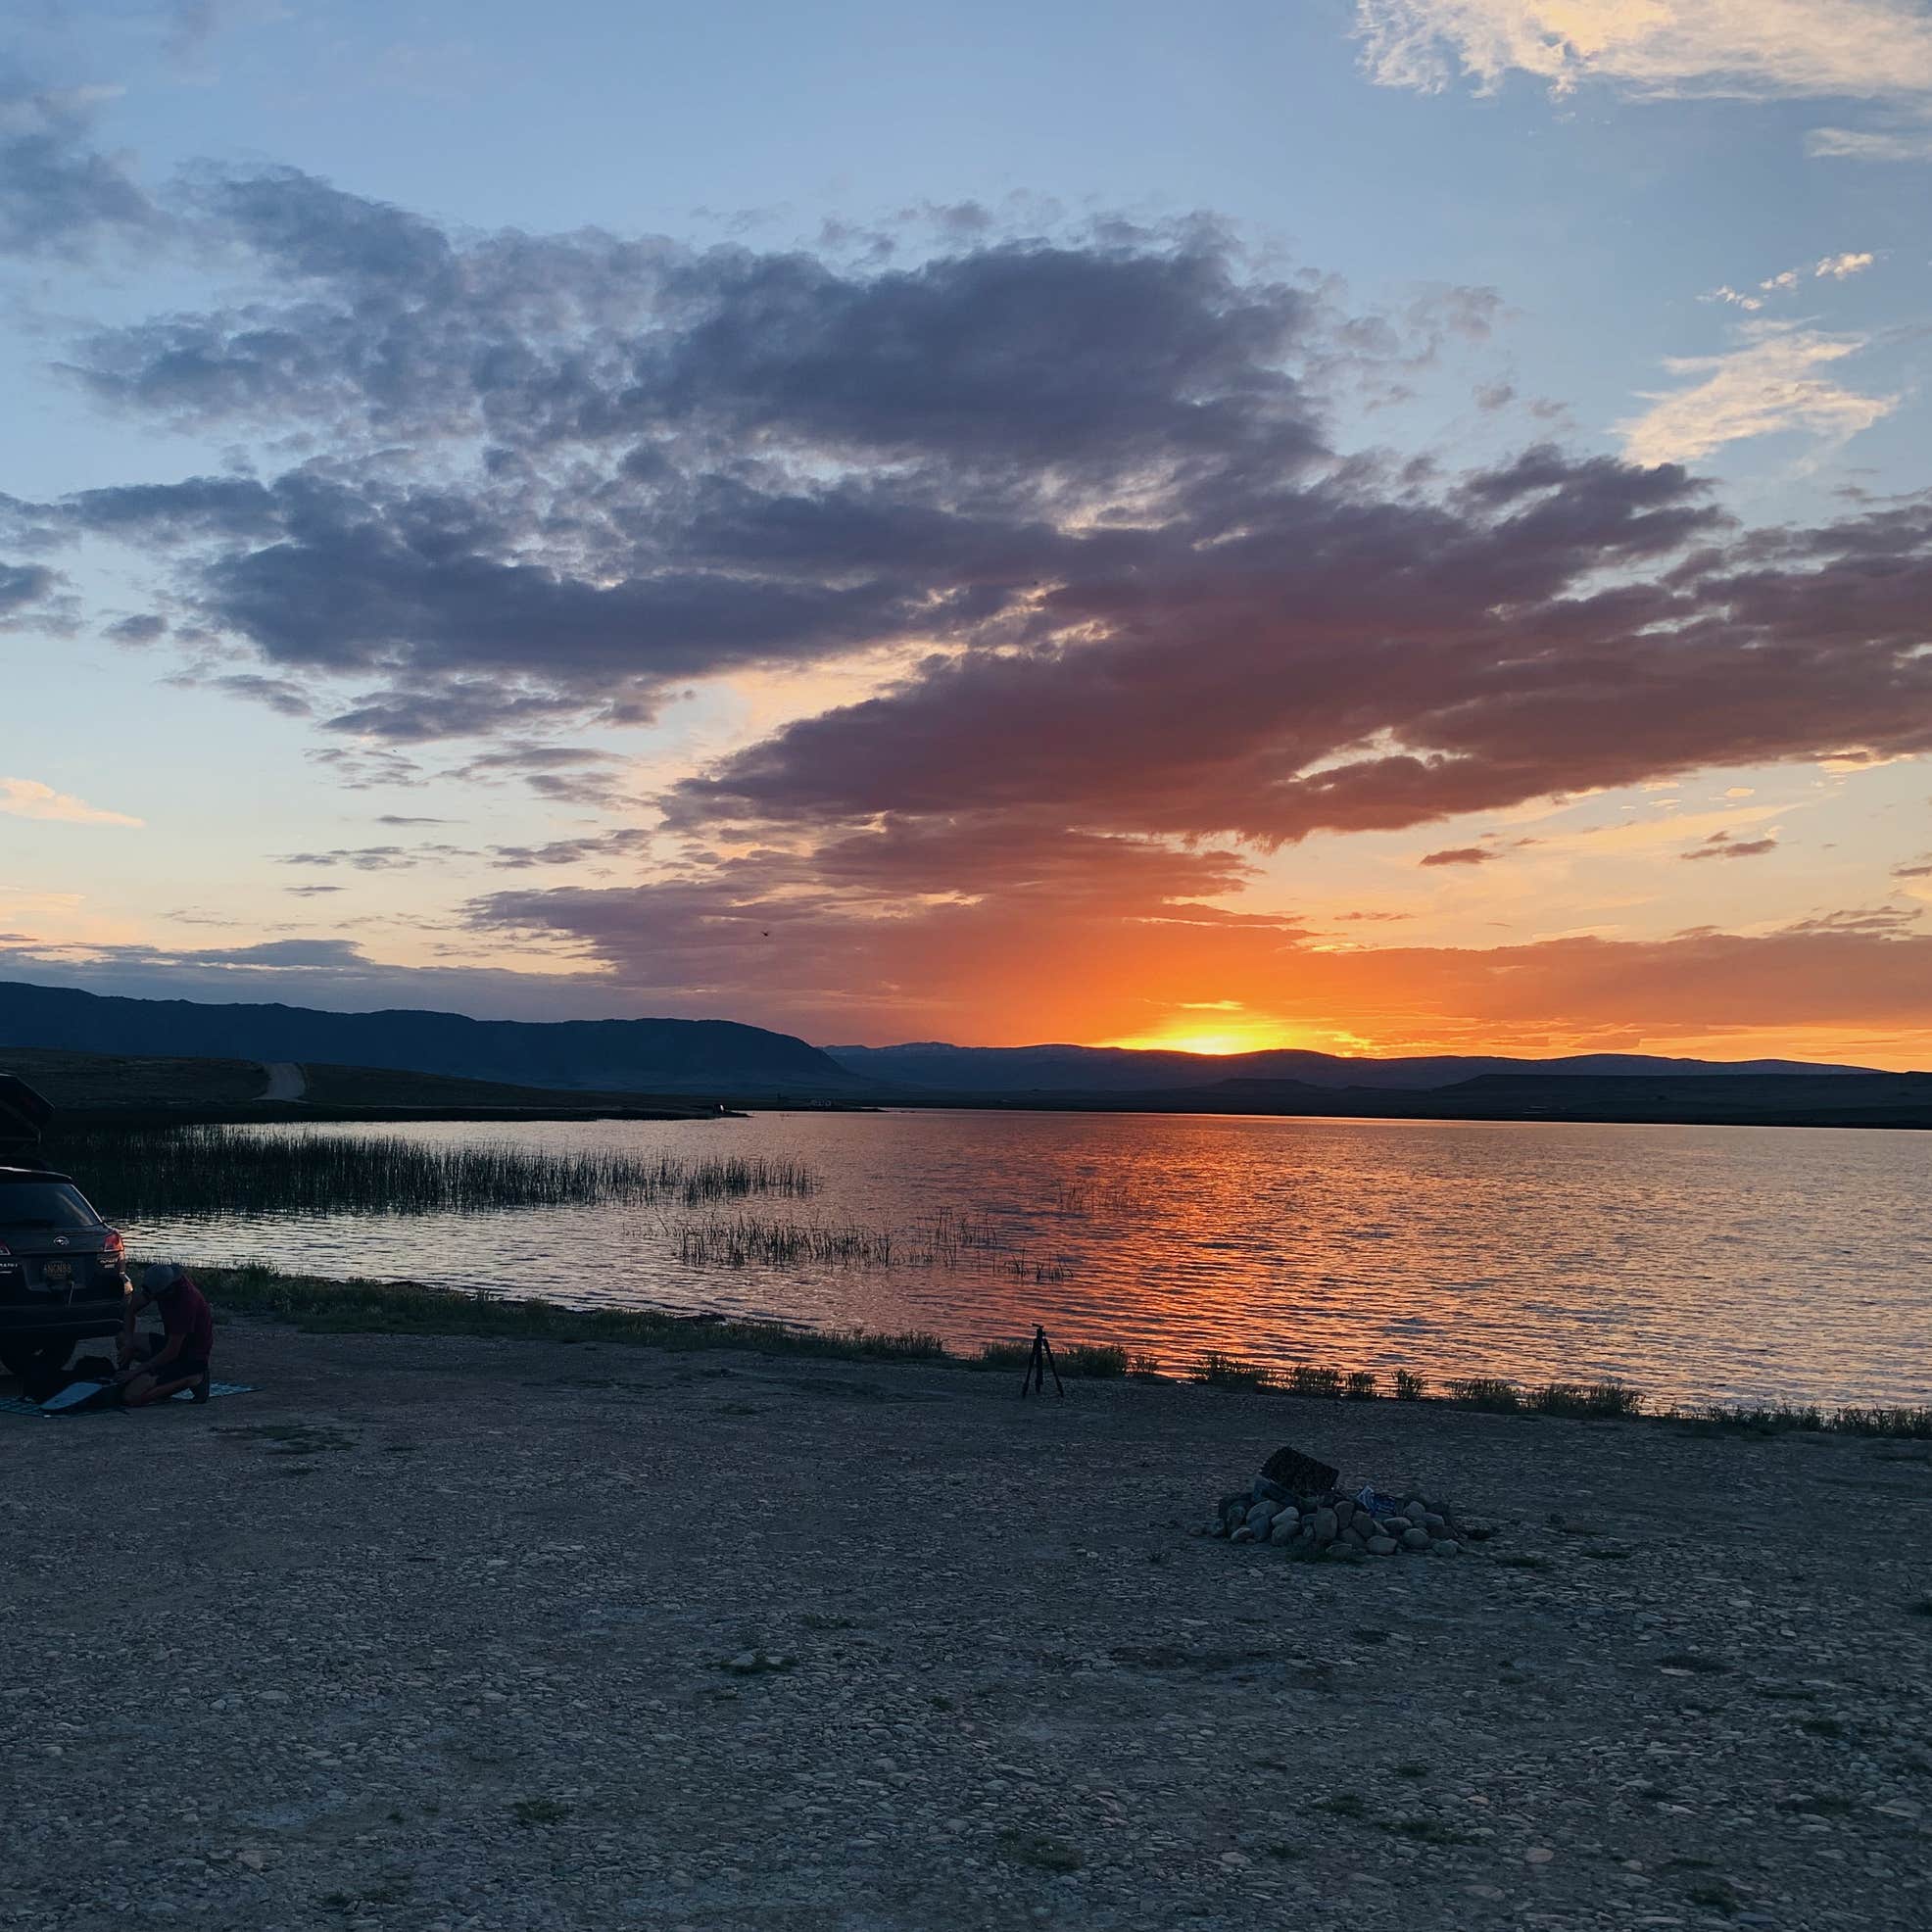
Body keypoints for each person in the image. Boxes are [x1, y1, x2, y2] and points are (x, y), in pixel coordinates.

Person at [116, 1263, 215, 1406]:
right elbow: (130, 1311)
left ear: (166, 1291)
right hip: (171, 1346)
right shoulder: (160, 1285)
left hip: (190, 1359)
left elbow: (171, 1352)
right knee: (122, 1339)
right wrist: (129, 1344)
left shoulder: (185, 1303)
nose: (150, 1298)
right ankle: (132, 1378)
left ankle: (194, 1378)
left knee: (131, 1397)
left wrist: (136, 1372)